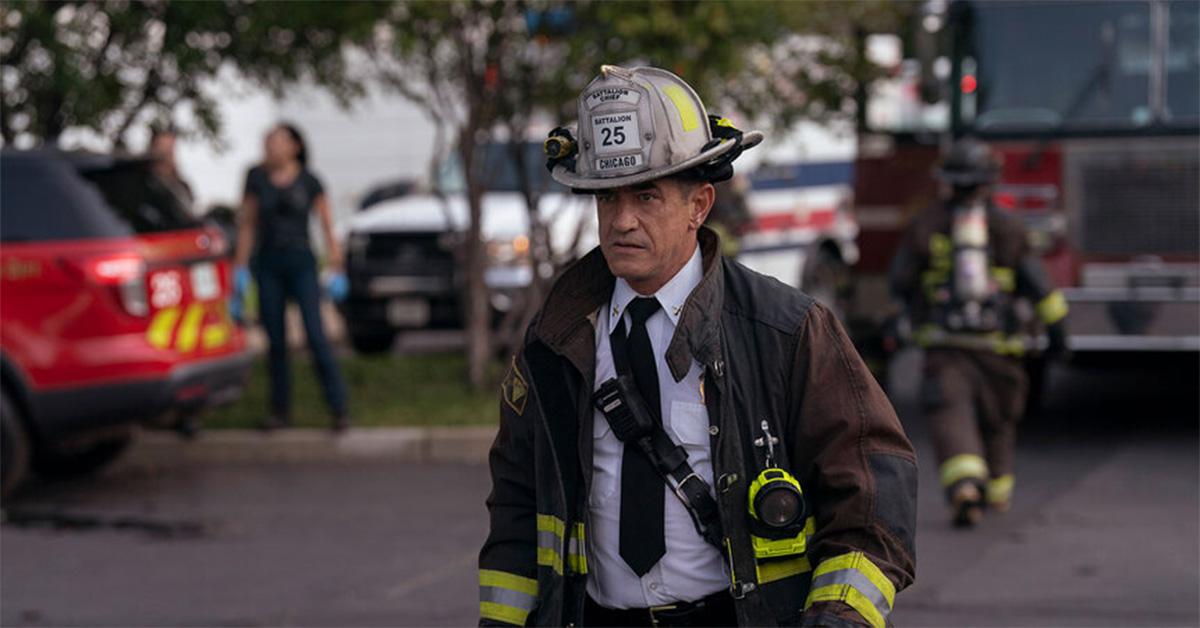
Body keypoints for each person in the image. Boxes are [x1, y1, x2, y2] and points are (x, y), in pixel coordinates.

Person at [479, 65, 917, 628]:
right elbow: (517, 499)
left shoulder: (784, 331)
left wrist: (838, 615)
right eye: (606, 199)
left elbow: (874, 489)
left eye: (646, 196)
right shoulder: (556, 341)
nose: (622, 221)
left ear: (699, 205)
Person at [888, 138, 1069, 527]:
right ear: (990, 182)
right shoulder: (1009, 227)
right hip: (999, 349)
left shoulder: (925, 224)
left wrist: (900, 320)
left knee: (950, 416)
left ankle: (965, 486)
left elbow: (900, 281)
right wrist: (1058, 331)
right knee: (999, 421)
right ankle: (998, 491)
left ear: (948, 180)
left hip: (943, 346)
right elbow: (1038, 284)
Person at [233, 123, 349, 432]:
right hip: (267, 263)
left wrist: (336, 265)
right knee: (275, 340)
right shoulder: (256, 178)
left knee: (315, 334)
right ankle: (279, 411)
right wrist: (240, 268)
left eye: (277, 142)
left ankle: (339, 408)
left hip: (301, 262)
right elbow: (247, 224)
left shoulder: (310, 181)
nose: (271, 147)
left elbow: (326, 225)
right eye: (267, 141)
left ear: (294, 146)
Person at [147, 126, 196, 212]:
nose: (166, 156)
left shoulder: (182, 188)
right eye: (162, 149)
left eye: (170, 150)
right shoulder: (143, 183)